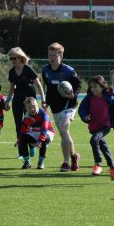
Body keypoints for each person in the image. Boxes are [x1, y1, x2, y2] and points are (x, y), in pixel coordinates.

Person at [42, 42, 81, 172]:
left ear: (61, 56)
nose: (52, 58)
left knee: (64, 130)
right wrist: (46, 102)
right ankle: (74, 156)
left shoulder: (68, 71)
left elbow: (78, 86)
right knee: (64, 134)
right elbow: (49, 88)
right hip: (56, 107)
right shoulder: (45, 70)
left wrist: (72, 95)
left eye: (54, 55)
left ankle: (66, 163)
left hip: (69, 106)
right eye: (50, 55)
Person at [78, 75, 114, 180]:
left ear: (102, 87)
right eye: (92, 87)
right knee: (103, 146)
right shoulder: (89, 98)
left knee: (94, 140)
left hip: (105, 125)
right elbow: (81, 110)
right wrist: (85, 116)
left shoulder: (107, 97)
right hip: (94, 126)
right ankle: (112, 165)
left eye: (95, 87)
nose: (93, 89)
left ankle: (98, 164)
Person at [4, 47, 46, 158]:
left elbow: (39, 85)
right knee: (19, 125)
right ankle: (22, 153)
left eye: (14, 58)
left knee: (30, 124)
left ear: (20, 57)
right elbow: (11, 88)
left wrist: (43, 100)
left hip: (30, 102)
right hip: (17, 100)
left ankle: (32, 145)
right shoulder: (12, 72)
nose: (12, 60)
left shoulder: (28, 69)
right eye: (10, 58)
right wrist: (7, 101)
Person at [18, 97, 55, 170]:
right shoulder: (27, 115)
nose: (32, 109)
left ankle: (41, 162)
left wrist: (40, 140)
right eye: (29, 108)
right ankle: (27, 163)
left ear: (37, 105)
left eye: (34, 106)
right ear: (26, 109)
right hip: (35, 131)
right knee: (22, 139)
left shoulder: (44, 114)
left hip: (48, 132)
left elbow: (44, 129)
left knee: (44, 139)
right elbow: (23, 129)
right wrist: (19, 140)